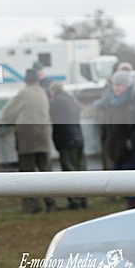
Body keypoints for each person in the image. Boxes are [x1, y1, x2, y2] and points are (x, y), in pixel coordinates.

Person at [2, 68, 55, 213]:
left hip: (27, 136)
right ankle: (50, 202)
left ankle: (33, 205)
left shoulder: (23, 93)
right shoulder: (43, 92)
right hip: (43, 134)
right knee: (45, 171)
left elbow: (7, 113)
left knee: (27, 172)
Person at [103, 70, 135, 208]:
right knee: (123, 185)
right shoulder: (111, 102)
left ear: (127, 86)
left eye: (119, 85)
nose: (116, 88)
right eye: (114, 84)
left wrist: (131, 143)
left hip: (134, 150)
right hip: (117, 149)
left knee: (132, 186)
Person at [48, 81, 87, 210]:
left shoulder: (55, 101)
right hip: (78, 137)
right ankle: (84, 199)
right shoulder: (71, 99)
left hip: (66, 139)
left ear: (52, 91)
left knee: (70, 171)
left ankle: (75, 201)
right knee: (81, 169)